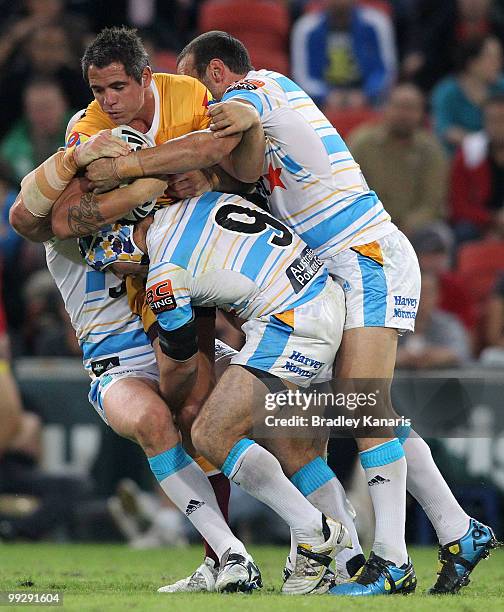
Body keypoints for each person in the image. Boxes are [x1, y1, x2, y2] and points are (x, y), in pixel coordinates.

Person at [88, 30, 499, 596]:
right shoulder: (252, 129)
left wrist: (127, 167)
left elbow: (211, 145)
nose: (190, 101)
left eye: (190, 84)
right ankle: (457, 529)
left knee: (362, 406)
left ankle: (392, 562)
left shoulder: (258, 87)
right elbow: (238, 168)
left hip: (364, 253)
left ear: (214, 73)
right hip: (330, 271)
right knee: (338, 412)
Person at [9, 129, 261, 594]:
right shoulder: (66, 226)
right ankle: (231, 552)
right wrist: (139, 176)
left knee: (273, 393)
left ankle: (327, 539)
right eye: (108, 169)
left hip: (174, 340)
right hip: (116, 362)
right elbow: (26, 211)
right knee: (152, 420)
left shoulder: (158, 212)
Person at [79, 185, 352, 596]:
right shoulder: (203, 202)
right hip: (326, 297)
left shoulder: (162, 276)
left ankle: (312, 528)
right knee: (300, 450)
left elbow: (180, 369)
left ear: (123, 243)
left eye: (119, 267)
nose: (123, 277)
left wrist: (171, 409)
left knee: (210, 433)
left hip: (288, 323)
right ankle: (349, 564)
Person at [349, 83, 448, 235]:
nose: (404, 114)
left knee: (439, 234)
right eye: (399, 107)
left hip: (414, 230)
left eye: (411, 108)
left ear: (422, 113)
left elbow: (432, 202)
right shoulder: (362, 143)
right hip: (367, 225)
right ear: (385, 108)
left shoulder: (431, 150)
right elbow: (348, 191)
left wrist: (403, 228)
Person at [290, 0, 397, 108]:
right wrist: (326, 95)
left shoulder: (376, 22)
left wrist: (366, 94)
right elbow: (302, 75)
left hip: (370, 100)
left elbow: (386, 69)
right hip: (320, 102)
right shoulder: (306, 27)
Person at [431, 34, 504, 155]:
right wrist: (478, 143)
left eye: (499, 57)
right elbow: (444, 128)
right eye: (491, 58)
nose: (498, 63)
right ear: (472, 62)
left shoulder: (501, 86)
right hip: (457, 157)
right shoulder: (447, 91)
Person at [450, 93, 504, 242]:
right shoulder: (468, 153)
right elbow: (458, 205)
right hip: (479, 222)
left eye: (501, 120)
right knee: (464, 231)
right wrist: (492, 219)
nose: (497, 127)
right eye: (492, 120)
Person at [397, 272, 472, 369]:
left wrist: (432, 356)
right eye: (417, 291)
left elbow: (462, 352)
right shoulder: (392, 324)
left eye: (428, 292)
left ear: (437, 296)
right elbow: (377, 354)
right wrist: (400, 357)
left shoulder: (448, 324)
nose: (422, 298)